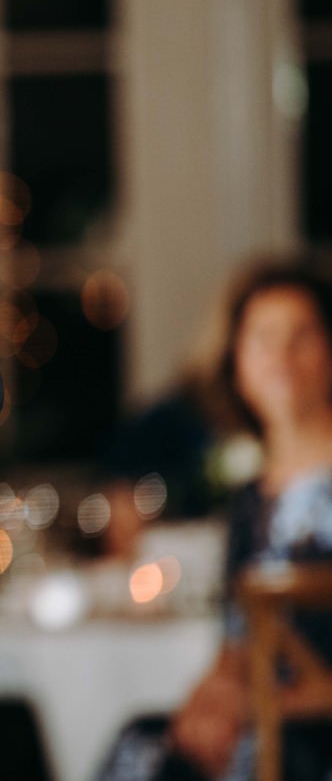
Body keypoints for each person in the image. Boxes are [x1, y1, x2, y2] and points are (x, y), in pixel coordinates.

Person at [99, 258, 332, 781]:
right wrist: (209, 703)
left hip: (307, 742)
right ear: (236, 360)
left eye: (303, 335)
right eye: (263, 338)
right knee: (135, 744)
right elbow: (235, 645)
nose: (282, 357)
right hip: (258, 726)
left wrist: (259, 709)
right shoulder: (251, 500)